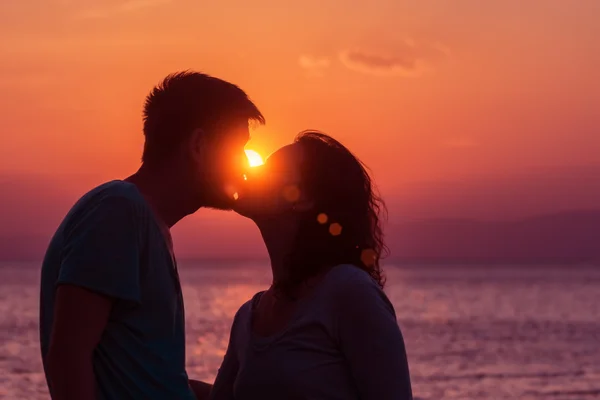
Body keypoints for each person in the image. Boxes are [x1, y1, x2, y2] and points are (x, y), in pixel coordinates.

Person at [39, 71, 264, 400]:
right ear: (199, 146)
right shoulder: (117, 211)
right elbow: (68, 357)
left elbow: (152, 381)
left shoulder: (146, 223)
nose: (245, 164)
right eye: (239, 148)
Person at [210, 131, 413, 400]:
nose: (250, 173)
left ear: (302, 198)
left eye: (269, 170)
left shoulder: (349, 293)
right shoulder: (249, 315)